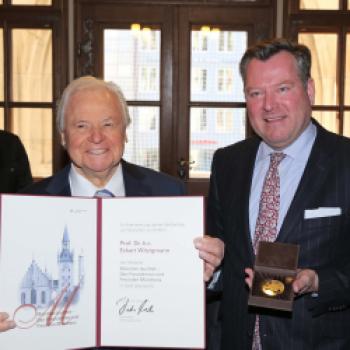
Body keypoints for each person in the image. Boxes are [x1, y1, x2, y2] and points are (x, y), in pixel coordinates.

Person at [0, 76, 224, 335]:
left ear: (125, 132)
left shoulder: (170, 194)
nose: (96, 137)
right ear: (63, 136)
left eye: (108, 124)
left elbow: (204, 291)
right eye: (81, 125)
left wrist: (212, 269)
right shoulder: (29, 206)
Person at [207, 38, 350, 350]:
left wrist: (318, 282)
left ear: (309, 90)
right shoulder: (227, 163)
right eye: (256, 93)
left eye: (282, 89)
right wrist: (210, 268)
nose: (268, 105)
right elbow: (218, 256)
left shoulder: (345, 162)